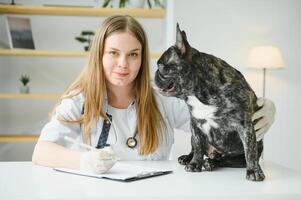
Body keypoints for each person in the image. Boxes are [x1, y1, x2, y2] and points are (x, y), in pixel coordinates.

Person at [32, 15, 276, 174]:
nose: (123, 64)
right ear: (99, 55)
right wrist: (84, 162)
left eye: (133, 54)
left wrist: (260, 108)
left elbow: (214, 125)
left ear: (142, 57)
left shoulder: (164, 96)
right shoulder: (79, 98)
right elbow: (41, 152)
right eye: (113, 53)